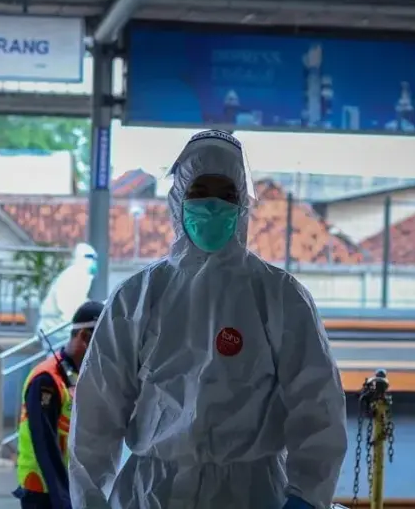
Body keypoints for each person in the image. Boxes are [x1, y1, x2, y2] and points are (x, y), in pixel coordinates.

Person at [68, 130, 347, 509]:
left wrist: (307, 495)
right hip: (153, 494)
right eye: (200, 192)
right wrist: (89, 499)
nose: (213, 206)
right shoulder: (137, 298)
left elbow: (318, 404)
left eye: (226, 195)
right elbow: (96, 412)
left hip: (252, 494)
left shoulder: (280, 296)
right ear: (178, 199)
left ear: (243, 206)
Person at [14, 300, 104, 509]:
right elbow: (44, 443)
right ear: (83, 337)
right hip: (43, 489)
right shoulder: (46, 379)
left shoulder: (84, 375)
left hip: (72, 485)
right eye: (100, 343)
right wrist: (62, 498)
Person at [37, 243, 98, 335]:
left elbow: (79, 302)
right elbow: (67, 307)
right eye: (90, 257)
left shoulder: (81, 276)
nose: (93, 262)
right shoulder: (73, 276)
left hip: (58, 327)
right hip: (55, 327)